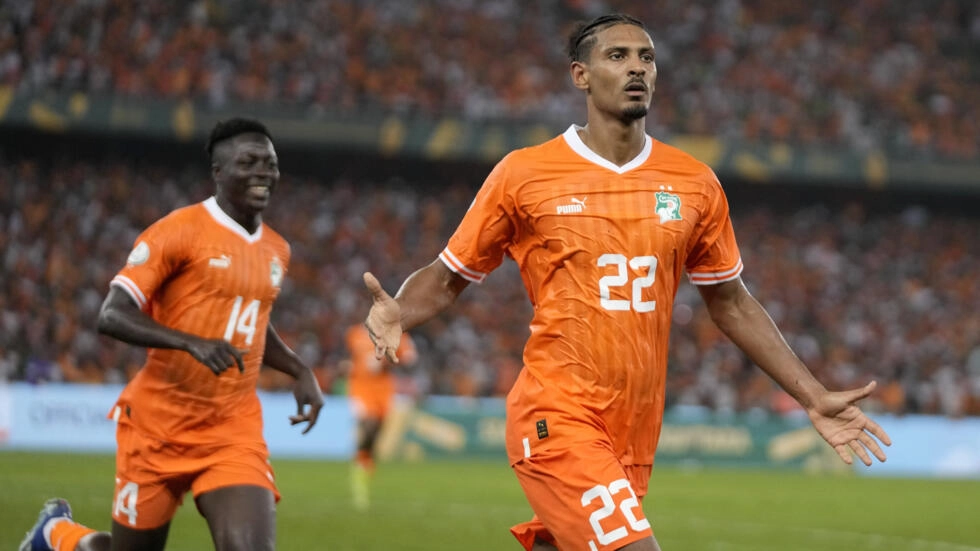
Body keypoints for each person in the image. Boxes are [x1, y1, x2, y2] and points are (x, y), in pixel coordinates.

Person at [362, 13, 892, 551]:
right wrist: (397, 311)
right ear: (581, 75)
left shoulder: (694, 182)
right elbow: (450, 276)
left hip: (634, 429)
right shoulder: (525, 174)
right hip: (557, 413)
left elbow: (731, 302)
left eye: (646, 57)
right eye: (617, 56)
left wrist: (813, 395)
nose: (636, 67)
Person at [19, 117, 324, 551]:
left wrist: (299, 368)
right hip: (157, 427)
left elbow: (253, 318)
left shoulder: (277, 248)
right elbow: (112, 314)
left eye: (270, 163)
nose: (263, 172)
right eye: (249, 162)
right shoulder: (178, 231)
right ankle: (60, 536)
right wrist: (190, 341)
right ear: (218, 172)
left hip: (230, 428)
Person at [343, 322, 417, 511]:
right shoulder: (355, 333)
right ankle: (359, 468)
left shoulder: (396, 335)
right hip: (359, 388)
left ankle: (364, 463)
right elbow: (346, 357)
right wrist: (346, 366)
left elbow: (409, 360)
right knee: (369, 424)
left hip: (383, 391)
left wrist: (386, 362)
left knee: (375, 433)